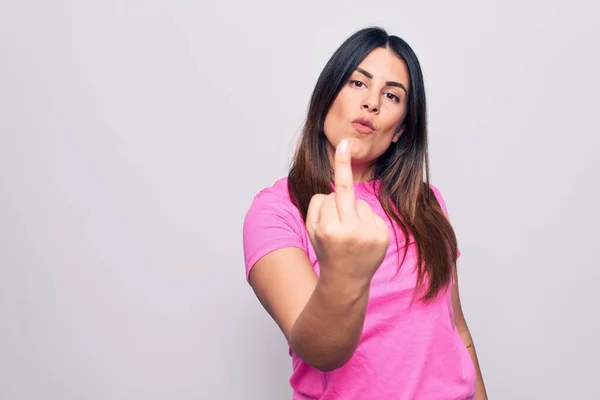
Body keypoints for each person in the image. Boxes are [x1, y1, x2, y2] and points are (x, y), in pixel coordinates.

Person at [242, 26, 488, 400]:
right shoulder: (277, 211)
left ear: (400, 131)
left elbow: (457, 330)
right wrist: (346, 272)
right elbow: (320, 351)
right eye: (358, 83)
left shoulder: (426, 202)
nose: (372, 102)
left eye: (391, 95)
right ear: (327, 95)